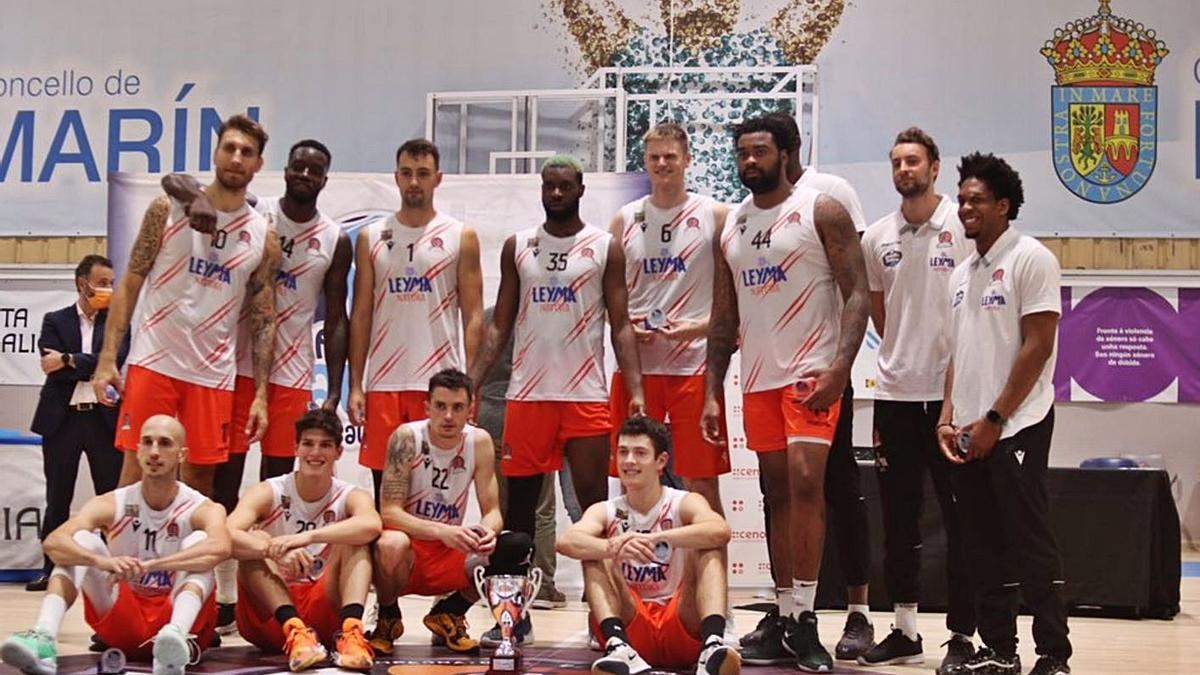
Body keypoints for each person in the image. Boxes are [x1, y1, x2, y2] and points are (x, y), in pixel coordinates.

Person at [162, 139, 352, 633]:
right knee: (219, 487)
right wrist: (199, 200)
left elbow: (335, 317)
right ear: (284, 171)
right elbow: (175, 184)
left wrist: (332, 390)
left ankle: (279, 592)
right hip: (231, 368)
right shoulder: (253, 210)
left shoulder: (334, 237)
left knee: (279, 491)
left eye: (316, 168)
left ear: (325, 179)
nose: (306, 173)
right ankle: (220, 598)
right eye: (299, 165)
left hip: (290, 378)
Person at [704, 115, 869, 672]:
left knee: (805, 485)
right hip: (756, 379)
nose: (750, 162)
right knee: (776, 493)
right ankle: (784, 614)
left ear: (787, 152)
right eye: (743, 154)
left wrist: (841, 368)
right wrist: (709, 391)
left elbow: (857, 296)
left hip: (811, 374)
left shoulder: (822, 210)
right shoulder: (730, 228)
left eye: (761, 152)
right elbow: (723, 321)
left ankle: (805, 618)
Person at [92, 113, 281, 500]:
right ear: (215, 152)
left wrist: (260, 392)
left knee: (199, 483)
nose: (236, 158)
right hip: (154, 361)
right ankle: (121, 561)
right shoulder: (166, 209)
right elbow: (130, 283)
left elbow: (263, 320)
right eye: (229, 147)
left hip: (212, 374)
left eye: (247, 152)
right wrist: (108, 358)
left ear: (258, 165)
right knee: (134, 473)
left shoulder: (264, 237)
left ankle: (183, 563)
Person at [468, 155, 645, 557]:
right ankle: (514, 615)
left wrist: (636, 388)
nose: (557, 193)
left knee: (594, 509)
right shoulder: (520, 245)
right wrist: (470, 383)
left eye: (565, 186)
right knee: (519, 513)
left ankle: (603, 610)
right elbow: (499, 326)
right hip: (528, 396)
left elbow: (621, 325)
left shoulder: (604, 247)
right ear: (542, 190)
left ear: (581, 189)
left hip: (585, 395)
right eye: (550, 186)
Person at [936, 153, 1071, 675]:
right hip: (968, 432)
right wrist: (948, 418)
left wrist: (994, 419)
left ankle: (1053, 655)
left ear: (1003, 205)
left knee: (1028, 540)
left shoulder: (1031, 258)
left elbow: (1037, 347)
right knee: (981, 545)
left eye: (976, 200)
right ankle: (999, 650)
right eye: (963, 199)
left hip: (1016, 426)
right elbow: (958, 355)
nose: (965, 207)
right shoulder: (964, 273)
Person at [856, 127, 976, 670]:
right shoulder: (877, 236)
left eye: (914, 161)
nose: (904, 170)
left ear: (935, 166)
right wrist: (905, 355)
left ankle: (964, 635)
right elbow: (882, 314)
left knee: (961, 521)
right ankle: (905, 629)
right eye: (897, 162)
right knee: (900, 521)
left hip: (955, 401)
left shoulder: (963, 226)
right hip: (896, 395)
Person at [0, 415, 231, 675]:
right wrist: (103, 561)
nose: (154, 451)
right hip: (125, 620)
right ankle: (43, 639)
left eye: (165, 443)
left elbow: (221, 548)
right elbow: (54, 542)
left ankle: (173, 644)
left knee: (200, 543)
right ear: (138, 449)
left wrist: (153, 565)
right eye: (147, 442)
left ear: (181, 454)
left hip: (182, 627)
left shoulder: (200, 507)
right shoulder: (114, 502)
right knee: (80, 541)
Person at [347, 139, 484, 503]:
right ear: (396, 177)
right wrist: (357, 384)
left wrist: (472, 383)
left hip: (439, 386)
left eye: (422, 174)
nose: (414, 182)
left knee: (435, 495)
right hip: (385, 383)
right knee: (387, 498)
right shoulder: (371, 237)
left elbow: (473, 315)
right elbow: (361, 314)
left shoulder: (460, 236)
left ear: (437, 179)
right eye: (407, 173)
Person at [607, 122, 730, 510]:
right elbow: (610, 299)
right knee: (633, 481)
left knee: (701, 485)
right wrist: (626, 326)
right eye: (654, 157)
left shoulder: (715, 215)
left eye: (670, 156)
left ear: (687, 159)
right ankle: (640, 570)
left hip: (692, 368)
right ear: (644, 161)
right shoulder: (624, 219)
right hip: (636, 371)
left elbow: (736, 301)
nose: (662, 164)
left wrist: (695, 328)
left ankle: (710, 573)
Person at [557, 416, 740, 675]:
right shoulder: (607, 509)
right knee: (594, 550)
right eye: (623, 452)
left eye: (640, 453)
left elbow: (720, 530)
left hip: (681, 621)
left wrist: (658, 538)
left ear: (661, 461)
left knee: (709, 546)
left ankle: (712, 643)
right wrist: (614, 545)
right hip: (633, 624)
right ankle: (617, 645)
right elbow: (566, 542)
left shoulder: (683, 501)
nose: (629, 461)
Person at [371, 368, 533, 654]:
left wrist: (487, 532)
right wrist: (441, 531)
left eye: (457, 408)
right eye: (441, 406)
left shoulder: (478, 441)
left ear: (470, 409)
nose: (448, 416)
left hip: (449, 551)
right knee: (389, 542)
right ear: (427, 408)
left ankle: (450, 612)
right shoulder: (406, 438)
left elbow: (493, 510)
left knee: (515, 546)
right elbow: (389, 513)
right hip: (409, 552)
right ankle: (387, 617)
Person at [226, 408, 379, 672]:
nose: (315, 453)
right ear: (295, 448)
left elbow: (372, 524)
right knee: (252, 541)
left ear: (339, 452)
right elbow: (226, 533)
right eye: (308, 444)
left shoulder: (350, 494)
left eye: (325, 445)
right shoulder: (269, 490)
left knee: (355, 539)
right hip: (270, 614)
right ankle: (295, 631)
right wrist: (272, 550)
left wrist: (307, 537)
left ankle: (352, 632)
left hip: (322, 608)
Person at [28, 254, 127, 591]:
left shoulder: (116, 324)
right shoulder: (54, 320)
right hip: (63, 421)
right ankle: (50, 568)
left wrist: (69, 360)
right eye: (101, 283)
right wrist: (90, 364)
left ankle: (115, 567)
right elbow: (48, 363)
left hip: (103, 421)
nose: (107, 289)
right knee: (58, 497)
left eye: (111, 283)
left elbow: (113, 361)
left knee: (110, 498)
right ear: (81, 284)